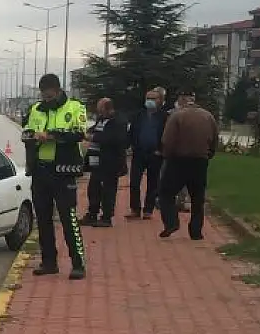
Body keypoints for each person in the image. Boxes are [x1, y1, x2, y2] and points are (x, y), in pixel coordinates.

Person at [22, 73, 89, 279]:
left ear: (58, 91)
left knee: (68, 218)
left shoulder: (75, 107)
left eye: (50, 96)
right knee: (42, 219)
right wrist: (33, 135)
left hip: (63, 171)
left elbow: (79, 133)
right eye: (44, 96)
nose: (46, 100)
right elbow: (25, 133)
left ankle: (78, 264)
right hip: (40, 171)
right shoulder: (35, 109)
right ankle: (49, 261)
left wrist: (50, 135)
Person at [158, 89, 218, 240]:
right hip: (200, 161)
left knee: (166, 193)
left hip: (178, 160)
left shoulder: (177, 116)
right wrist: (208, 154)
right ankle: (196, 231)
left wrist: (167, 155)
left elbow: (168, 139)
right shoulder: (208, 116)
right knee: (197, 197)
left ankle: (171, 222)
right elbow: (214, 138)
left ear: (182, 100)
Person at [82, 98, 127, 227]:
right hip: (96, 160)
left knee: (108, 190)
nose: (99, 111)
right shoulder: (101, 120)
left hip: (110, 162)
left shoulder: (118, 122)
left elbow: (113, 139)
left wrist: (93, 137)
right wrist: (88, 132)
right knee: (93, 189)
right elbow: (95, 129)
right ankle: (92, 214)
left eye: (100, 109)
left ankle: (106, 217)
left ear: (107, 109)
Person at [126, 88, 168, 220]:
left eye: (153, 98)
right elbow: (132, 132)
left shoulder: (164, 117)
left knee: (153, 183)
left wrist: (160, 150)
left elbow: (167, 135)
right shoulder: (139, 115)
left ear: (160, 100)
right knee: (134, 182)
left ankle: (148, 210)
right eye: (147, 98)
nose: (149, 101)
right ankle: (135, 209)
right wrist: (130, 145)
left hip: (155, 154)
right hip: (139, 152)